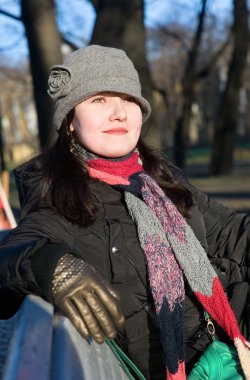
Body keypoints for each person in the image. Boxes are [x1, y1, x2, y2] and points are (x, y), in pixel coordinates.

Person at [0, 45, 249, 380]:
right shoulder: (62, 201)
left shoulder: (162, 180)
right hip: (189, 366)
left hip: (229, 333)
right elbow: (9, 255)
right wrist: (50, 265)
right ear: (70, 121)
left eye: (129, 99)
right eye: (99, 100)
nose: (119, 112)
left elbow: (234, 234)